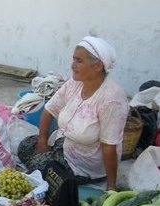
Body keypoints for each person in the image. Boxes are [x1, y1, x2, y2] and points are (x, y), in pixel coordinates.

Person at [17, 35, 129, 192]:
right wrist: (43, 141)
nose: (73, 65)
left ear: (98, 66)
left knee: (38, 166)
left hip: (83, 163)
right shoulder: (74, 83)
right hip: (63, 143)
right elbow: (49, 110)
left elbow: (109, 146)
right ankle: (52, 168)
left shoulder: (112, 99)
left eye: (79, 61)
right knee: (25, 146)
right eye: (73, 59)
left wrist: (111, 186)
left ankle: (66, 177)